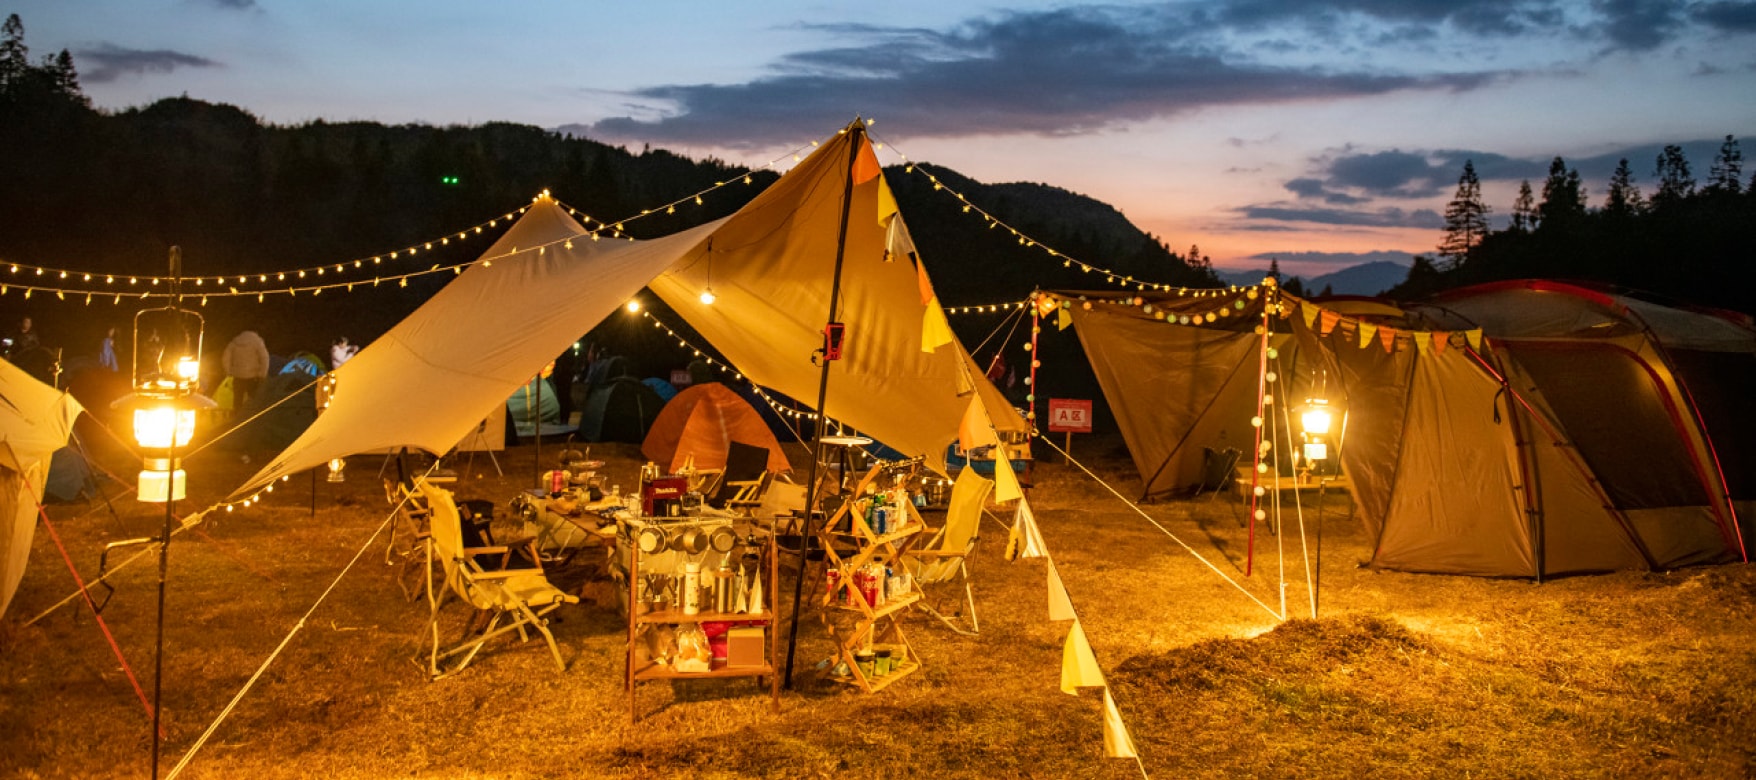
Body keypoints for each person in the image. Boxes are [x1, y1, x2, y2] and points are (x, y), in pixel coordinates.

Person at [222, 329, 270, 410]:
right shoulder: (257, 342)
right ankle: (252, 416)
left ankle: (237, 416)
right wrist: (262, 374)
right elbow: (264, 358)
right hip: (253, 376)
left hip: (238, 376)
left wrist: (229, 371)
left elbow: (225, 358)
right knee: (253, 400)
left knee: (237, 400)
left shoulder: (235, 342)